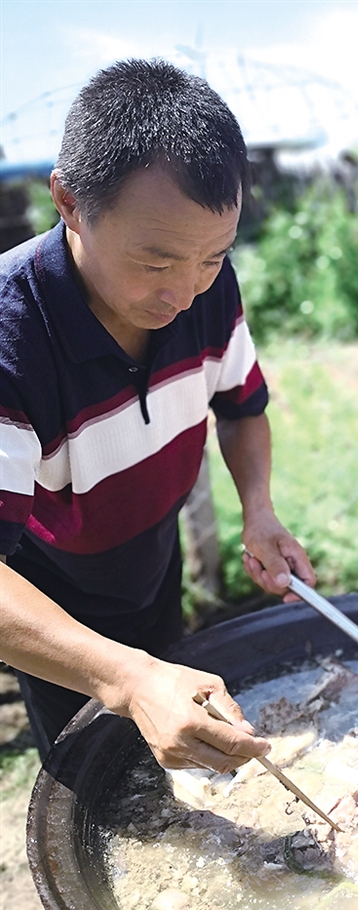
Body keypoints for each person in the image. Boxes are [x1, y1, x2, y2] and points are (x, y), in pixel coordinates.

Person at [0, 58, 315, 772]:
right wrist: (125, 675)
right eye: (155, 261)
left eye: (211, 257)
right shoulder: (11, 341)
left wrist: (258, 510)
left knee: (181, 752)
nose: (183, 291)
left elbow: (241, 406)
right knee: (101, 775)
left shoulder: (208, 283)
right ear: (70, 202)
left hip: (155, 557)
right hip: (54, 607)